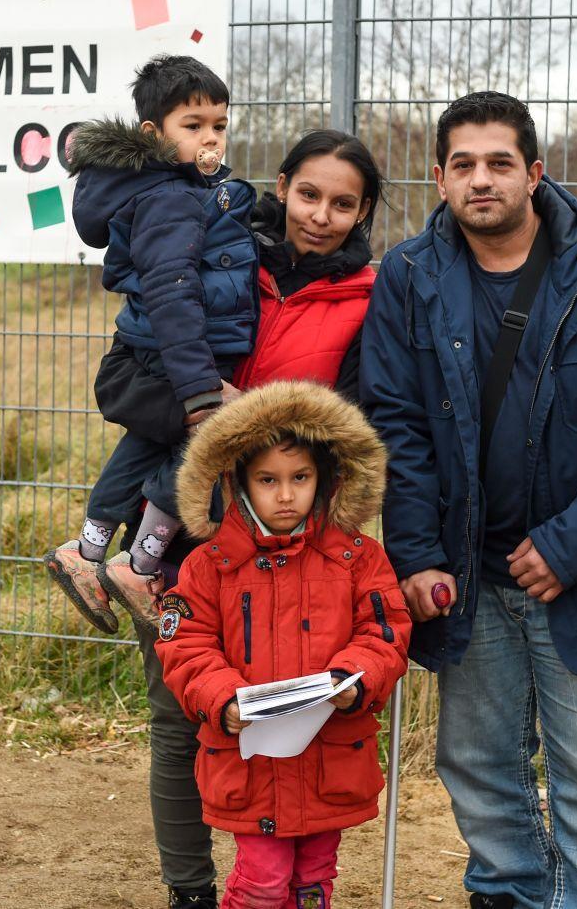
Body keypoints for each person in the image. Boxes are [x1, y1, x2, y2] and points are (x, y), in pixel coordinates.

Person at [359, 91, 577, 909]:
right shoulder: (406, 278)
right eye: (461, 165)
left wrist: (568, 546)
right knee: (476, 769)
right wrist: (418, 554)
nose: (481, 180)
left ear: (534, 174)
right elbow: (393, 423)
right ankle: (509, 894)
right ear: (437, 178)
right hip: (464, 578)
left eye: (499, 163)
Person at [78, 132, 389, 909]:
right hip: (191, 530)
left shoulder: (369, 301)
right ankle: (189, 889)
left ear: (362, 214)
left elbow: (359, 420)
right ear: (281, 187)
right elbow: (125, 379)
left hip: (295, 539)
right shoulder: (216, 260)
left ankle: (291, 883)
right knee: (182, 719)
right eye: (308, 194)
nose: (320, 216)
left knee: (295, 727)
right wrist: (208, 428)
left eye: (342, 203)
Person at [156, 380, 411, 909]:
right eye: (268, 480)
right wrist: (223, 699)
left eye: (301, 478)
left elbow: (385, 632)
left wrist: (352, 678)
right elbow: (185, 644)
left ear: (328, 478)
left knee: (315, 878)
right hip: (249, 761)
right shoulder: (209, 566)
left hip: (330, 758)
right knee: (263, 878)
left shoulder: (359, 558)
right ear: (238, 482)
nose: (287, 494)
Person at [44, 53, 257, 634]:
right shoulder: (169, 197)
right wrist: (198, 390)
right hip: (182, 355)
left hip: (167, 350)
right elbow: (173, 289)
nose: (210, 138)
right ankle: (140, 564)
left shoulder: (181, 189)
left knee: (142, 446)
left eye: (218, 124)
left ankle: (86, 552)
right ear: (154, 134)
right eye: (193, 127)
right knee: (195, 447)